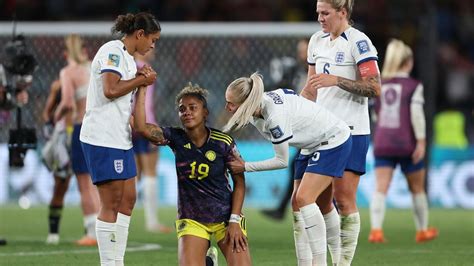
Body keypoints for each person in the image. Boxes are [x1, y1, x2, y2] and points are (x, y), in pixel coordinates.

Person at [223, 72, 352, 266]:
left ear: (247, 103)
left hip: (332, 139)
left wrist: (245, 167)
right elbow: (290, 94)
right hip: (312, 143)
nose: (228, 107)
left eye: (231, 103)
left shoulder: (274, 117)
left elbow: (282, 161)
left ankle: (320, 263)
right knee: (305, 203)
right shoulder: (257, 106)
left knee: (304, 198)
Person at [134, 83, 251, 266]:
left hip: (226, 217)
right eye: (182, 109)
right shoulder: (175, 138)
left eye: (192, 108)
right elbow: (141, 128)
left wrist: (235, 221)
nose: (186, 112)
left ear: (205, 113)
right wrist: (142, 90)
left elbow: (240, 183)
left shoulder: (223, 143)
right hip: (192, 219)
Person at [301, 0, 381, 264]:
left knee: (344, 200)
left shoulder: (359, 43)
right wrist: (296, 113)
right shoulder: (316, 41)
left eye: (325, 13)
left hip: (351, 131)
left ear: (342, 13)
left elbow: (374, 87)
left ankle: (342, 262)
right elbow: (311, 87)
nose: (320, 18)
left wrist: (336, 80)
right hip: (320, 131)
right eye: (318, 13)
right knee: (320, 202)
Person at [79, 12, 160, 266]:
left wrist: (143, 85)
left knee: (128, 199)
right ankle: (109, 263)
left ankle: (118, 260)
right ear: (140, 35)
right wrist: (140, 80)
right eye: (153, 40)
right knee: (111, 201)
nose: (153, 46)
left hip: (121, 139)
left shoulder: (128, 59)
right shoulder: (112, 51)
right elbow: (110, 89)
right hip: (102, 137)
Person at [369, 39, 438, 243]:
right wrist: (422, 142)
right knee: (417, 189)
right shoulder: (413, 86)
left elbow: (375, 115)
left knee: (380, 187)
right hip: (407, 144)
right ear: (408, 62)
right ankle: (422, 230)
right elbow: (417, 115)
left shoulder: (380, 86)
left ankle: (376, 230)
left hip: (383, 142)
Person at [54, 34, 100, 246]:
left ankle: (91, 232)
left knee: (84, 183)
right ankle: (104, 228)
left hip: (83, 128)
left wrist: (55, 116)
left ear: (66, 53)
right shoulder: (93, 67)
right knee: (99, 182)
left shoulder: (68, 72)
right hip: (102, 129)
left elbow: (68, 103)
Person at [263, 38, 309, 221]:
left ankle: (284, 209)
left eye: (304, 50)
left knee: (297, 164)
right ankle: (284, 209)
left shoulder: (319, 73)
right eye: (299, 50)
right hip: (303, 125)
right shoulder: (296, 72)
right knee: (297, 165)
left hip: (315, 126)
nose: (300, 54)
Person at [132, 50, 171, 233]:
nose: (154, 49)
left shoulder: (129, 66)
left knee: (134, 174)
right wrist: (150, 126)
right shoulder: (145, 70)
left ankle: (121, 218)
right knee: (150, 173)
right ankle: (152, 222)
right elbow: (144, 103)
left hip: (130, 124)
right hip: (145, 123)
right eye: (152, 45)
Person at [41, 78, 73, 245]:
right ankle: (53, 233)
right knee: (61, 186)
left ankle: (91, 230)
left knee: (90, 186)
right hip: (63, 138)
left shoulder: (95, 77)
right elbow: (47, 112)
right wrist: (50, 124)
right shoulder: (58, 84)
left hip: (86, 135)